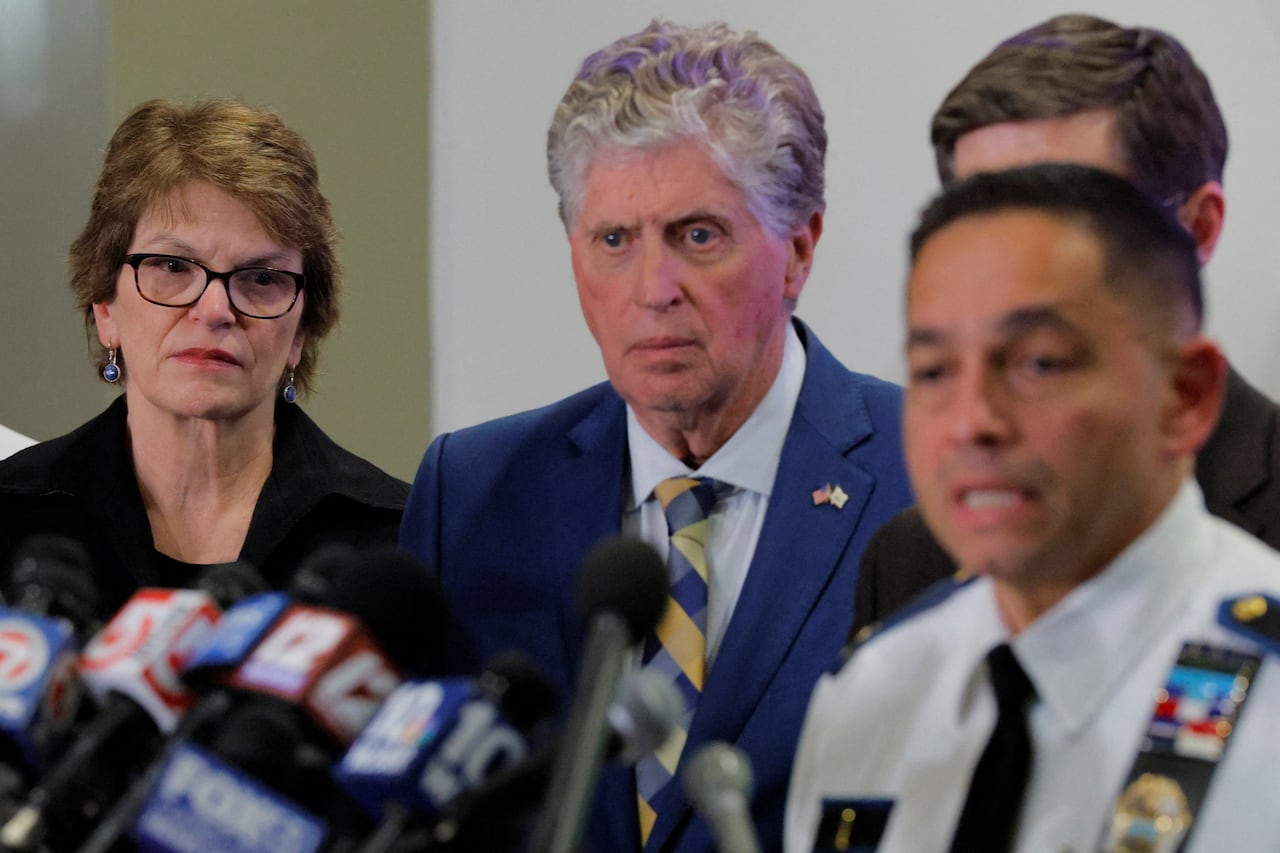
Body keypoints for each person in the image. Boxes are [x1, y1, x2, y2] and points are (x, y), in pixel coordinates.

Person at [399, 20, 913, 852]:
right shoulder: (473, 494)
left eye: (697, 235)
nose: (653, 290)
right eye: (614, 240)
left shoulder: (924, 476)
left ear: (798, 250)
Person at [787, 163, 1280, 852]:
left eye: (1040, 363)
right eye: (934, 371)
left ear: (1185, 396)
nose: (972, 422)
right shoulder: (873, 696)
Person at [853, 13, 1280, 636]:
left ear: (1199, 228)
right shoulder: (908, 558)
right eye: (979, 213)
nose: (1012, 265)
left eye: (1071, 214)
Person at [0, 98, 409, 616]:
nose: (215, 310)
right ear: (105, 308)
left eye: (262, 278)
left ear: (301, 331)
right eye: (172, 266)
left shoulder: (395, 538)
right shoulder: (11, 513)